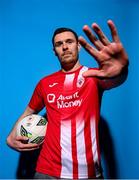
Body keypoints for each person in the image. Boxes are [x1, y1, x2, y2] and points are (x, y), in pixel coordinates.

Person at [7, 20, 129, 179]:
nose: (64, 47)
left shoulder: (94, 76)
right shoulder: (45, 83)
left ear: (78, 46)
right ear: (54, 51)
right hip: (47, 172)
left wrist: (122, 70)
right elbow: (29, 111)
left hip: (88, 174)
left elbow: (116, 80)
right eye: (59, 44)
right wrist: (11, 136)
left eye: (69, 42)